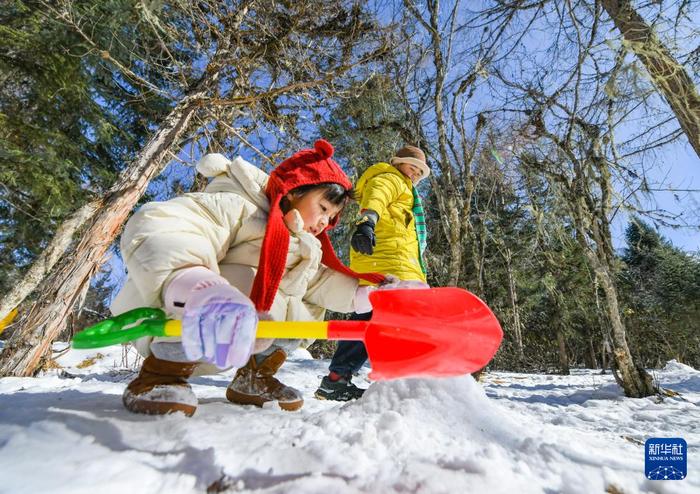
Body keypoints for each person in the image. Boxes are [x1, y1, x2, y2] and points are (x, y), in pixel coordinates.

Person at [110, 139, 385, 416]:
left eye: (333, 216)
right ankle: (161, 375)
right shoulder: (241, 206)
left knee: (301, 308)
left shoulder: (306, 245)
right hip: (188, 309)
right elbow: (171, 225)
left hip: (247, 331)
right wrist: (195, 284)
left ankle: (254, 377)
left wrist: (363, 294)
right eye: (324, 208)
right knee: (250, 282)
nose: (326, 222)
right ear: (295, 190)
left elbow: (319, 282)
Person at [315, 145, 431, 401]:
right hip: (391, 265)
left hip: (384, 263)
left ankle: (336, 379)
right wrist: (367, 221)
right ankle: (405, 376)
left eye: (419, 173)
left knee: (368, 320)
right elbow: (377, 197)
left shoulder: (404, 187)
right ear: (398, 162)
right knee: (407, 317)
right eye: (412, 167)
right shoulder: (390, 178)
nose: (414, 175)